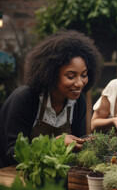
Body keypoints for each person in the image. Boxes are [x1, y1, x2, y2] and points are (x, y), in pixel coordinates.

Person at [0, 30, 102, 167]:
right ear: (52, 74)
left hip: (53, 177)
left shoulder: (78, 102)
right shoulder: (25, 98)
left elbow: (78, 148)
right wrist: (55, 143)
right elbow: (14, 154)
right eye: (71, 76)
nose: (79, 83)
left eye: (84, 75)